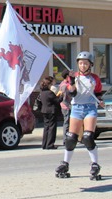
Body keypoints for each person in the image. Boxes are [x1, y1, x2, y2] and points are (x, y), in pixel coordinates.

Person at [55, 51, 105, 180]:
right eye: (81, 63)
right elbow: (73, 94)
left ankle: (95, 164)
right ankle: (65, 164)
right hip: (76, 108)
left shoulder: (95, 78)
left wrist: (100, 100)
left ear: (90, 64)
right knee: (71, 138)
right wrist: (71, 81)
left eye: (85, 63)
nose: (83, 65)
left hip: (90, 107)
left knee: (88, 137)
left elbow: (98, 92)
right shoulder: (74, 77)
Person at [39, 76, 60, 150]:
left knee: (46, 128)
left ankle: (44, 144)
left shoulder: (42, 92)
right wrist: (61, 96)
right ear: (49, 84)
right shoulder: (50, 93)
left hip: (44, 111)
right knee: (52, 128)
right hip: (51, 111)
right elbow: (57, 101)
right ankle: (50, 144)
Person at [58, 69, 72, 145]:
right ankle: (66, 139)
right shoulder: (65, 85)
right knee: (66, 122)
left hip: (65, 105)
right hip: (66, 106)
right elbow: (66, 97)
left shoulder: (62, 84)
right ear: (67, 76)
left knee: (67, 122)